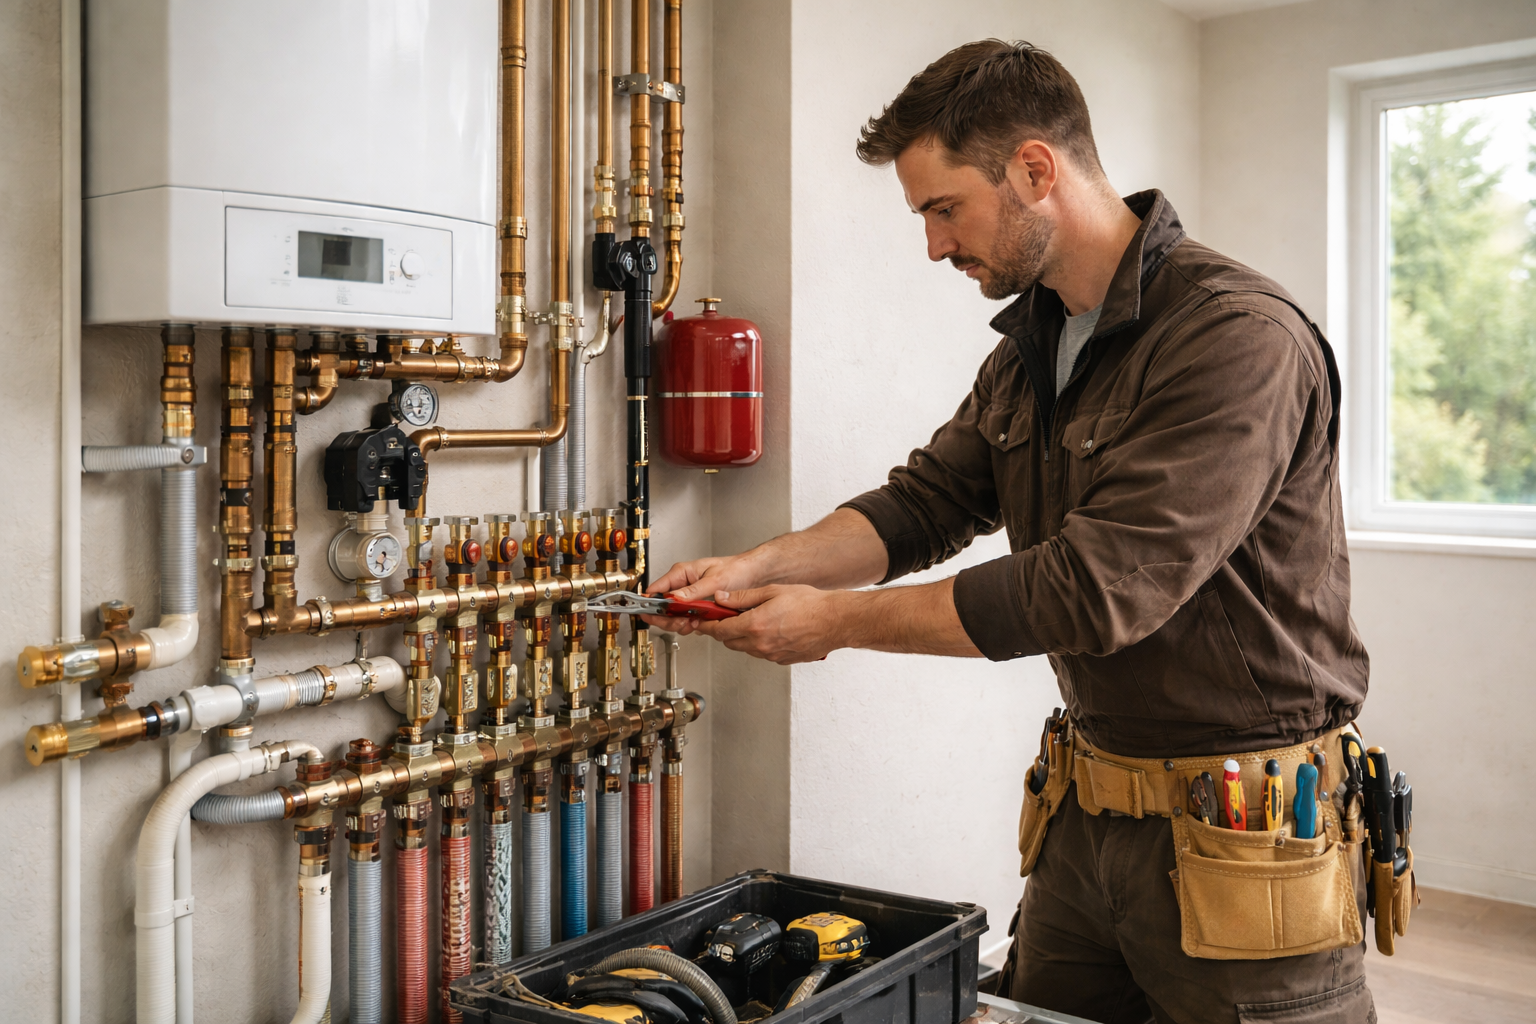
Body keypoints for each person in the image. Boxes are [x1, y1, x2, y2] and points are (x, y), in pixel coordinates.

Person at [643, 39, 1373, 1024]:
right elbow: (929, 501)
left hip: (1245, 832)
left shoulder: (1236, 339)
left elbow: (1094, 587)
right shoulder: (1035, 339)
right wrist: (757, 566)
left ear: (1035, 169)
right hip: (1087, 817)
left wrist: (834, 623)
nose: (935, 246)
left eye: (944, 208)